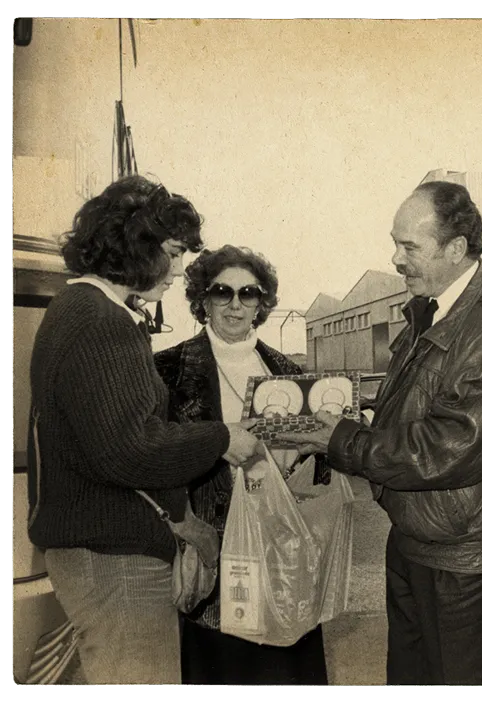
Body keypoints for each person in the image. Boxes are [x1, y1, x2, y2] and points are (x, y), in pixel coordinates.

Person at [279, 181, 482, 685]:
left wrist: (341, 440)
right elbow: (416, 411)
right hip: (417, 540)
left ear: (456, 249)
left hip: (462, 563)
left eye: (409, 247)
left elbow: (448, 449)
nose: (396, 259)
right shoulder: (432, 314)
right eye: (395, 242)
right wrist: (352, 410)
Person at [26, 176, 261, 685]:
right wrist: (224, 438)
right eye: (174, 253)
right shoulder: (99, 320)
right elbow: (131, 448)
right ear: (136, 244)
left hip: (99, 552)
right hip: (113, 559)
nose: (179, 269)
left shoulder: (79, 311)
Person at [154, 245, 328, 686]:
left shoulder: (287, 370)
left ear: (261, 303)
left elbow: (320, 472)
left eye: (247, 294)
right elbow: (155, 456)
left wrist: (314, 451)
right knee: (223, 670)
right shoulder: (168, 369)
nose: (235, 304)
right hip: (214, 551)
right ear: (203, 300)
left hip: (281, 546)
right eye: (222, 292)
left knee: (285, 670)